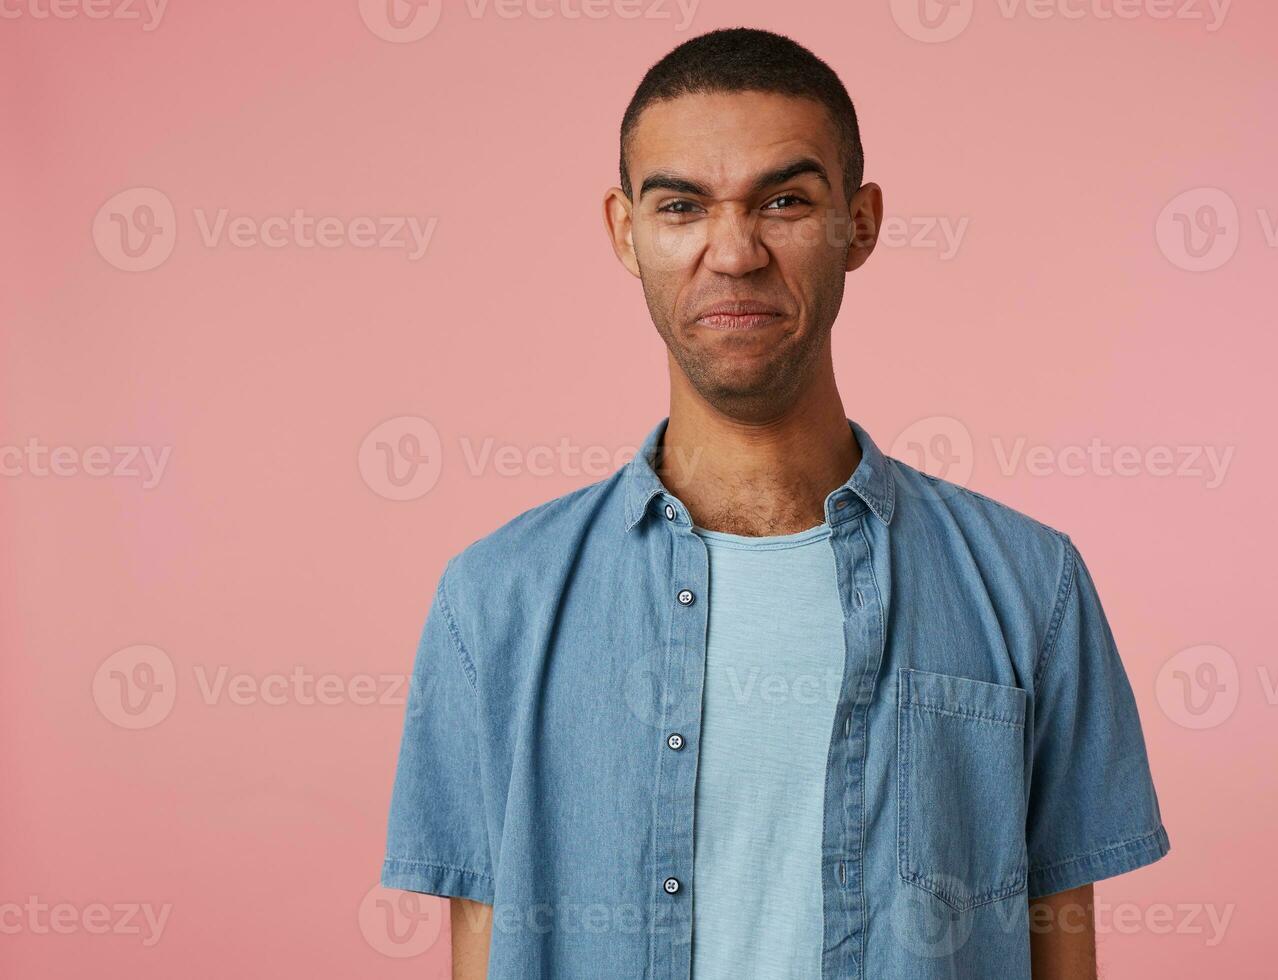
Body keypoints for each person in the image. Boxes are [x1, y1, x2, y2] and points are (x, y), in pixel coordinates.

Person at [381, 27, 1169, 980]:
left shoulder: (1029, 585)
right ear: (626, 232)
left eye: (785, 201)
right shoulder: (493, 603)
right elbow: (481, 947)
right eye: (681, 206)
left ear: (861, 223)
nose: (735, 251)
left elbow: (1061, 948)